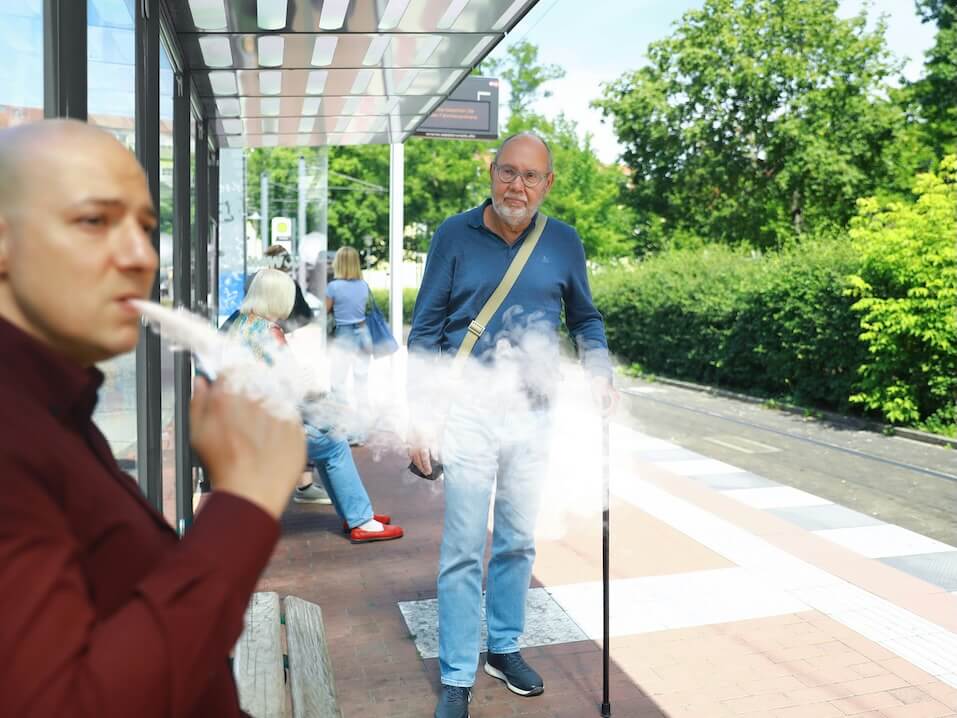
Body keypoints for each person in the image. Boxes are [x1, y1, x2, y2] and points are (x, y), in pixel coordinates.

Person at [0, 119, 307, 717]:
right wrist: (243, 501)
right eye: (95, 221)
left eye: (146, 228)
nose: (141, 257)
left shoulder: (50, 408)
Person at [407, 132, 618, 718]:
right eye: (508, 172)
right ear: (491, 172)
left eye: (530, 176)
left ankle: (503, 646)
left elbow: (587, 319)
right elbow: (424, 332)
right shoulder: (453, 235)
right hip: (468, 412)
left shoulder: (564, 243)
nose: (516, 186)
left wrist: (599, 372)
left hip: (533, 413)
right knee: (463, 547)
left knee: (519, 540)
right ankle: (456, 674)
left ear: (547, 184)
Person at [230, 268, 403, 544]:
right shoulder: (270, 332)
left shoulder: (242, 323)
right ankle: (361, 521)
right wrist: (316, 389)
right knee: (333, 443)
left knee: (327, 441)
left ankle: (356, 513)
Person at [325, 246, 372, 444]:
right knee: (361, 384)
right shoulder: (363, 285)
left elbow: (325, 312)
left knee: (338, 384)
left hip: (344, 335)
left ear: (339, 263)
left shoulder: (334, 287)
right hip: (363, 334)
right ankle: (360, 432)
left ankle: (344, 428)